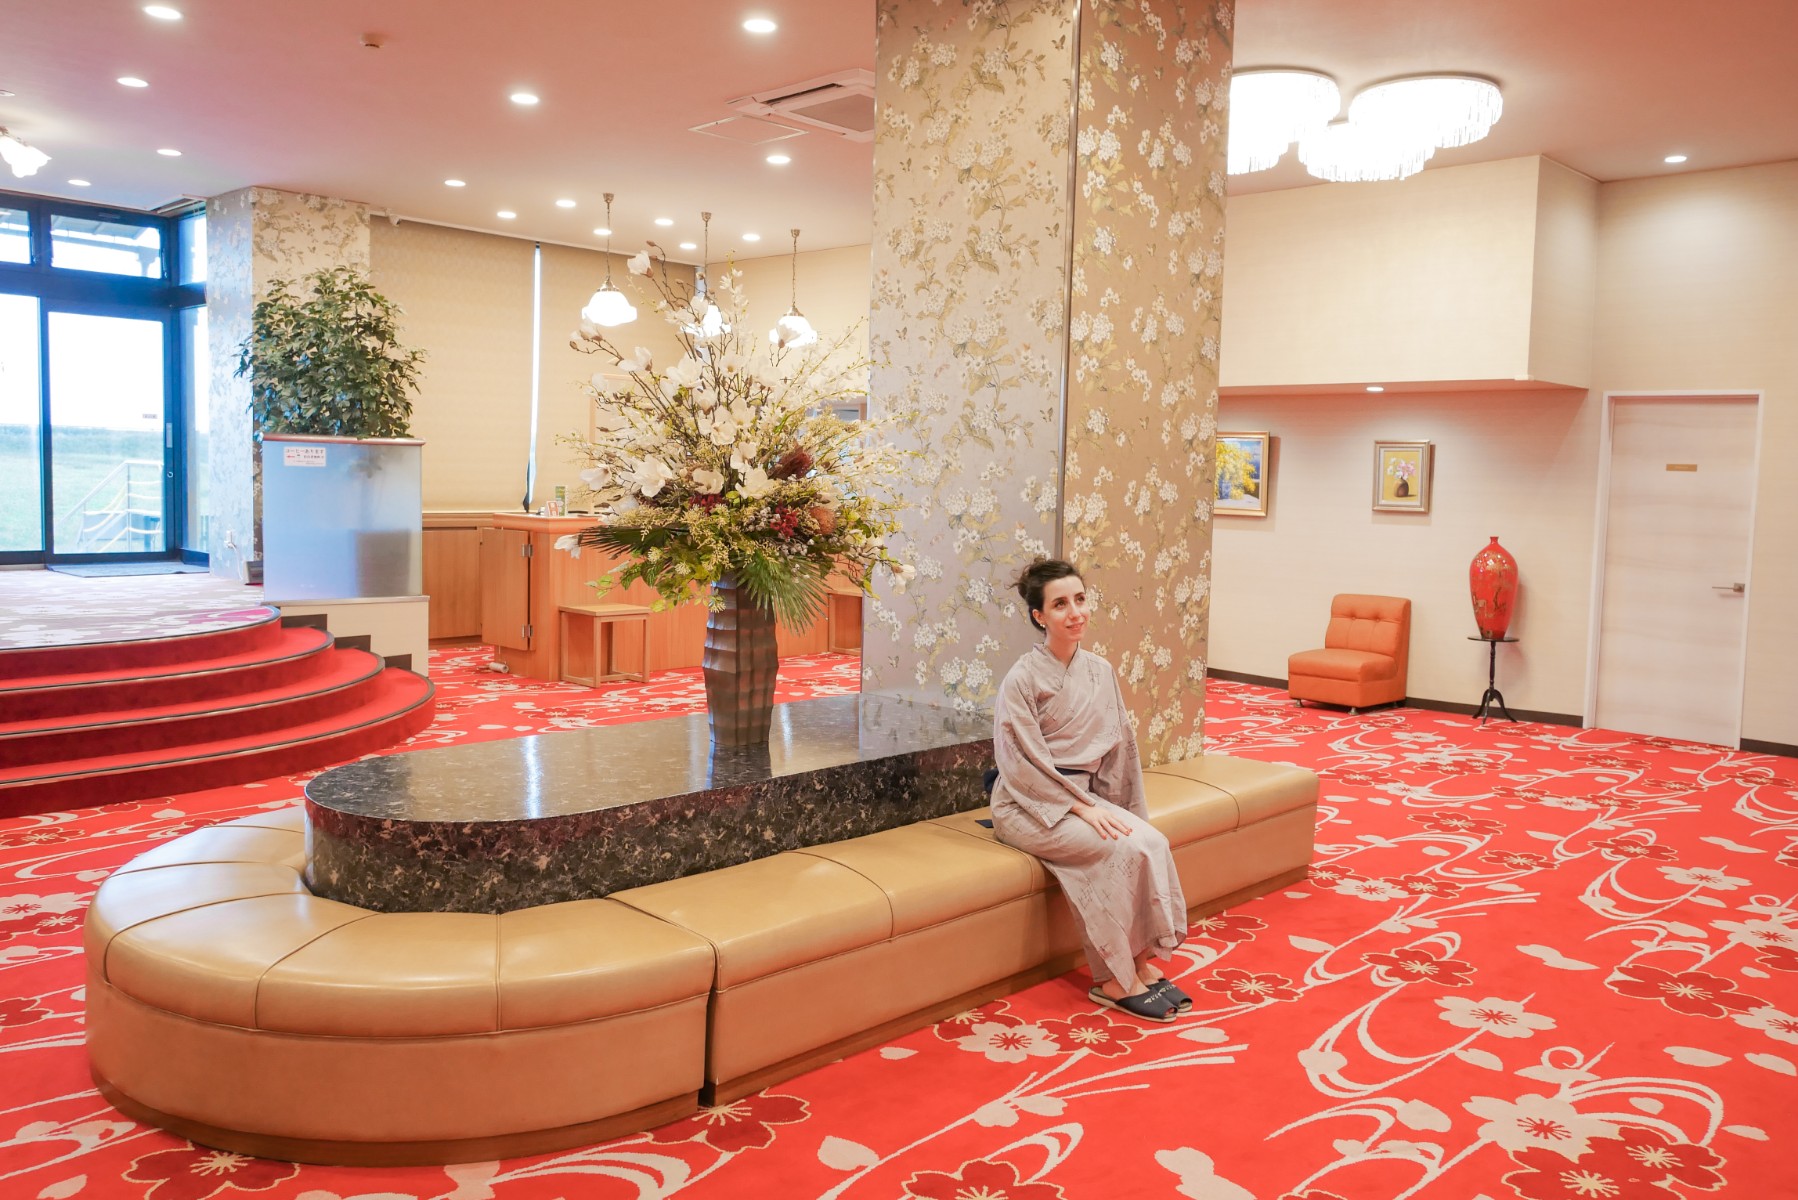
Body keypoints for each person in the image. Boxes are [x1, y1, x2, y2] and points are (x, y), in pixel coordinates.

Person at [988, 558, 1191, 1023]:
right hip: (1027, 805)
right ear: (1039, 616)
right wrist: (1080, 807)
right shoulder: (1022, 678)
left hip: (1083, 799)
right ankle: (1113, 978)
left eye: (1080, 599)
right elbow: (1018, 763)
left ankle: (1138, 961)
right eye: (1060, 604)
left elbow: (1120, 749)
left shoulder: (1100, 670)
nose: (1075, 612)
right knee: (1117, 849)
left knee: (1150, 840)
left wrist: (1123, 809)